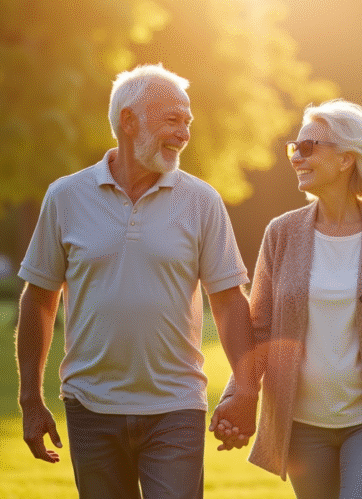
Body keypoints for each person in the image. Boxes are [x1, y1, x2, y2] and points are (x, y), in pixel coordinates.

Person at [16, 64, 259, 499]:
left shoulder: (201, 201)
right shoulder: (65, 197)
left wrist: (246, 389)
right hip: (91, 408)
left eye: (187, 122)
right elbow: (39, 299)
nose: (184, 134)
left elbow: (228, 302)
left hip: (176, 407)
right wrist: (31, 401)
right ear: (128, 121)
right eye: (172, 120)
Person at [209, 100, 362, 499]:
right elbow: (261, 329)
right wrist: (238, 396)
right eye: (293, 148)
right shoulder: (281, 233)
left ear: (346, 159)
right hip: (301, 426)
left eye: (308, 147)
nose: (296, 158)